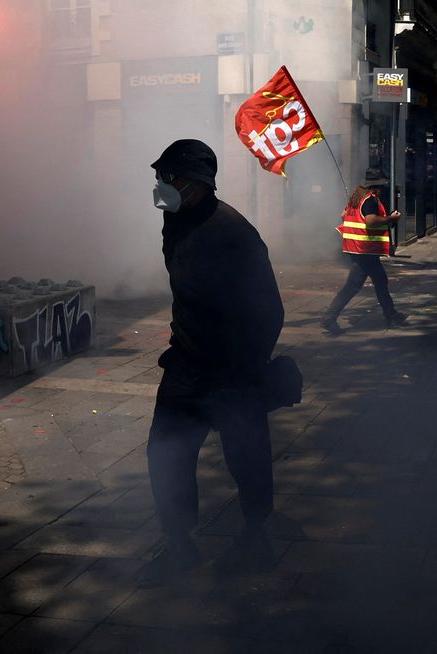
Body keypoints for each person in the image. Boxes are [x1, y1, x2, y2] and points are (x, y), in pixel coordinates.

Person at [140, 139, 285, 586]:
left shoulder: (233, 233)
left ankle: (257, 538)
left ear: (199, 183)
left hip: (232, 371)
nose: (163, 186)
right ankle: (179, 544)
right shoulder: (174, 220)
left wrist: (246, 370)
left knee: (247, 457)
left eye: (172, 178)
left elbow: (270, 309)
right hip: (185, 365)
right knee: (165, 454)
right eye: (161, 177)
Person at [321, 170, 407, 334]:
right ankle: (329, 318)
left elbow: (343, 216)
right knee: (354, 285)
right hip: (365, 250)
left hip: (356, 248)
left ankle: (391, 315)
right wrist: (391, 219)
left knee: (380, 281)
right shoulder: (370, 200)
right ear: (377, 187)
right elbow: (370, 221)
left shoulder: (356, 198)